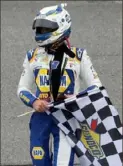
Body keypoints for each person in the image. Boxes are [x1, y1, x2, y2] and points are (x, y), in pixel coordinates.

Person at [17, 3, 102, 166]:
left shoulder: (79, 56)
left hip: (67, 120)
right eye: (39, 28)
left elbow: (96, 87)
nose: (40, 32)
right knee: (39, 161)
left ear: (61, 26)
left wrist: (76, 98)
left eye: (45, 28)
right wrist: (34, 102)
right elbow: (22, 89)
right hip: (40, 119)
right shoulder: (32, 57)